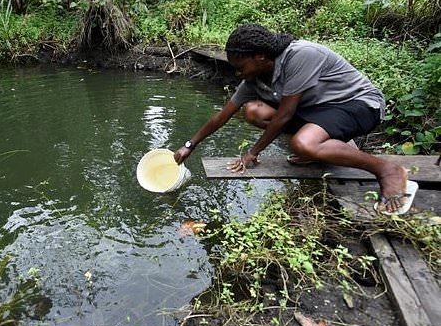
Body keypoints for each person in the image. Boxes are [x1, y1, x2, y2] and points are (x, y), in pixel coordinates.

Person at [174, 24, 417, 215]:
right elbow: (221, 116)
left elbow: (285, 115)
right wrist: (189, 145)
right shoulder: (254, 80)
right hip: (320, 111)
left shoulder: (300, 56)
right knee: (252, 111)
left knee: (303, 144)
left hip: (359, 105)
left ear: (260, 56)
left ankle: (388, 170)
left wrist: (253, 152)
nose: (237, 72)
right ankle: (316, 151)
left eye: (241, 66)